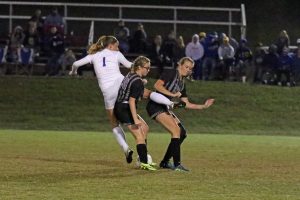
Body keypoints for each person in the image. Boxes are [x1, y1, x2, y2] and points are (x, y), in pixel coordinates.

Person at [69, 35, 134, 163]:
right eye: (116, 45)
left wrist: (73, 72)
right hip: (121, 85)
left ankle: (126, 148)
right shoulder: (116, 54)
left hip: (108, 92)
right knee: (132, 114)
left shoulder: (93, 56)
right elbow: (129, 65)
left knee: (114, 123)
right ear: (110, 46)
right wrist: (140, 66)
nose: (118, 47)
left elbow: (76, 63)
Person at [146, 57, 214, 172]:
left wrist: (203, 106)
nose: (188, 70)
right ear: (179, 65)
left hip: (165, 107)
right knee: (176, 131)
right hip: (155, 106)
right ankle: (177, 165)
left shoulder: (182, 84)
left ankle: (165, 162)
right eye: (186, 67)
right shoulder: (172, 73)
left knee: (182, 133)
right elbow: (157, 86)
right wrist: (172, 94)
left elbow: (185, 104)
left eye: (190, 68)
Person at [114, 56, 156, 171]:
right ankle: (143, 162)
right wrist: (135, 119)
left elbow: (132, 87)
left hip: (122, 106)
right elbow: (132, 101)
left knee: (145, 128)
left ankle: (143, 158)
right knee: (139, 136)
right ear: (139, 67)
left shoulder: (130, 75)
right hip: (125, 108)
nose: (148, 70)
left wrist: (142, 82)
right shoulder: (137, 81)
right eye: (147, 68)